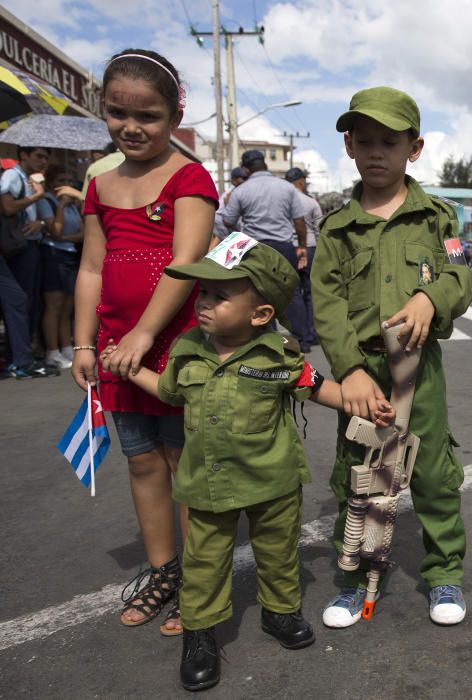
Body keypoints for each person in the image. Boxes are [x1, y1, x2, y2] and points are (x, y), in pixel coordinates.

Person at [101, 234, 394, 690]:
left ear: (260, 315)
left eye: (220, 296)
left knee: (277, 556)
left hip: (273, 482)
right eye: (203, 292)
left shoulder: (279, 356)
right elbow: (169, 392)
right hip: (207, 484)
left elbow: (319, 388)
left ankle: (280, 613)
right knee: (203, 564)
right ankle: (199, 636)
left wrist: (364, 406)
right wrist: (131, 369)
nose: (204, 303)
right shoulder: (186, 349)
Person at [312, 86, 472, 628]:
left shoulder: (438, 219)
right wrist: (350, 372)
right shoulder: (336, 228)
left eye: (389, 140)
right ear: (350, 147)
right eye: (364, 141)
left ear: (415, 147)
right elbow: (327, 303)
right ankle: (353, 578)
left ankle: (444, 571)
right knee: (358, 476)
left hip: (418, 370)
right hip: (363, 377)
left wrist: (432, 297)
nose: (376, 151)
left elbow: (460, 275)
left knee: (432, 473)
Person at [71, 49, 218, 635]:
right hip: (116, 353)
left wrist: (145, 332)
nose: (131, 127)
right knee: (140, 463)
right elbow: (89, 268)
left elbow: (187, 263)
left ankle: (200, 580)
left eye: (149, 116)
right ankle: (165, 572)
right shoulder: (99, 184)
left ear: (175, 114)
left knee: (185, 462)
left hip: (175, 346)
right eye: (116, 113)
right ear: (101, 109)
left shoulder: (190, 177)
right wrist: (85, 344)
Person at [219, 150, 310, 350]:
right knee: (293, 292)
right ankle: (302, 340)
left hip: (254, 247)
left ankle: (269, 339)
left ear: (245, 168)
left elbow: (228, 220)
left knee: (261, 293)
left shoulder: (241, 191)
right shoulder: (287, 188)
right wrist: (302, 245)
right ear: (265, 165)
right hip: (283, 246)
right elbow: (299, 221)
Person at [1, 145, 50, 350]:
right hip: (18, 246)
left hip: (30, 243)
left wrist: (39, 223)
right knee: (20, 301)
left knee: (30, 301)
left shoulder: (28, 179)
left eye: (46, 158)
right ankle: (18, 355)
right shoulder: (12, 176)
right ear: (24, 155)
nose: (43, 161)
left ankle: (25, 351)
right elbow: (8, 207)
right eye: (39, 156)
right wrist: (36, 197)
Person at [37, 164, 85, 368]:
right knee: (54, 305)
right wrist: (61, 207)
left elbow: (82, 233)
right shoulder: (47, 201)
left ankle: (66, 348)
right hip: (52, 254)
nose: (64, 186)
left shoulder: (72, 203)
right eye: (59, 181)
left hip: (69, 253)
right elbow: (55, 230)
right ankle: (52, 351)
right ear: (50, 183)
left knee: (67, 306)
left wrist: (65, 236)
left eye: (67, 181)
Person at [285, 166, 321, 348]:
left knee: (293, 293)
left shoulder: (283, 200)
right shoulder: (310, 202)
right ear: (300, 182)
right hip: (311, 248)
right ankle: (311, 333)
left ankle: (299, 334)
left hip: (289, 248)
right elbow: (319, 229)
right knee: (310, 292)